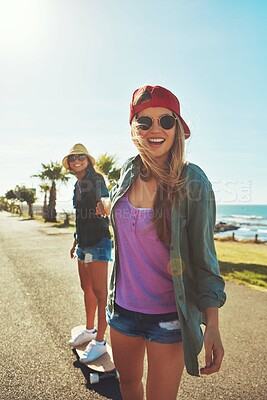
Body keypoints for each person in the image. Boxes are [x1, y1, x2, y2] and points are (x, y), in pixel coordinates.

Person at [96, 85, 226, 400]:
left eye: (166, 121)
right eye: (145, 122)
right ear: (133, 128)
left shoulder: (193, 181)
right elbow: (120, 217)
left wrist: (212, 324)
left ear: (178, 129)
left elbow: (205, 258)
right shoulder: (127, 172)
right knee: (127, 386)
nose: (156, 129)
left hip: (169, 318)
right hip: (122, 311)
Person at [62, 143, 112, 362]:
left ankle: (100, 341)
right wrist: (75, 240)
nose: (76, 160)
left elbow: (105, 197)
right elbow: (80, 217)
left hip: (98, 243)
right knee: (87, 289)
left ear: (88, 159)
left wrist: (104, 204)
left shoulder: (96, 179)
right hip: (83, 244)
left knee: (101, 294)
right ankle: (90, 330)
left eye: (80, 156)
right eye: (72, 158)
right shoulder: (78, 184)